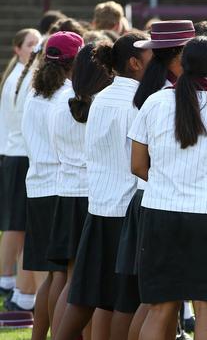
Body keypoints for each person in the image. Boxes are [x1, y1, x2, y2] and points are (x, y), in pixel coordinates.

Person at [128, 35, 207, 340]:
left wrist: (165, 181)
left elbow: (136, 165)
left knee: (160, 308)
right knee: (206, 310)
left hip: (159, 212)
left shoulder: (154, 102)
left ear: (182, 64)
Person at [53, 31, 153, 340]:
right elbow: (141, 162)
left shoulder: (104, 97)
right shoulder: (136, 103)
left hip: (100, 206)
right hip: (126, 208)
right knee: (123, 299)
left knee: (88, 297)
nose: (158, 59)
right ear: (135, 63)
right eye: (152, 56)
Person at [130, 20, 197, 340]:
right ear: (183, 53)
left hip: (155, 198)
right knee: (158, 304)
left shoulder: (151, 88)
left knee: (159, 302)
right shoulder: (163, 93)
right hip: (170, 201)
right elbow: (143, 162)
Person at [48, 41, 113, 337]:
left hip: (67, 193)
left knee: (72, 281)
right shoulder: (102, 104)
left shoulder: (61, 102)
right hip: (92, 196)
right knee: (93, 284)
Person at [21, 31, 83, 340]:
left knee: (54, 274)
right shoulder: (67, 96)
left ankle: (40, 336)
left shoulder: (35, 93)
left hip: (38, 186)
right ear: (76, 62)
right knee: (63, 274)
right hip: (60, 187)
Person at [1, 29, 43, 315]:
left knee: (20, 226)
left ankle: (13, 285)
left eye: (37, 45)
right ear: (17, 49)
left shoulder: (21, 75)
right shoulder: (23, 78)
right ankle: (7, 281)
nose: (34, 48)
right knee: (17, 225)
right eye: (30, 44)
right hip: (19, 155)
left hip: (15, 155)